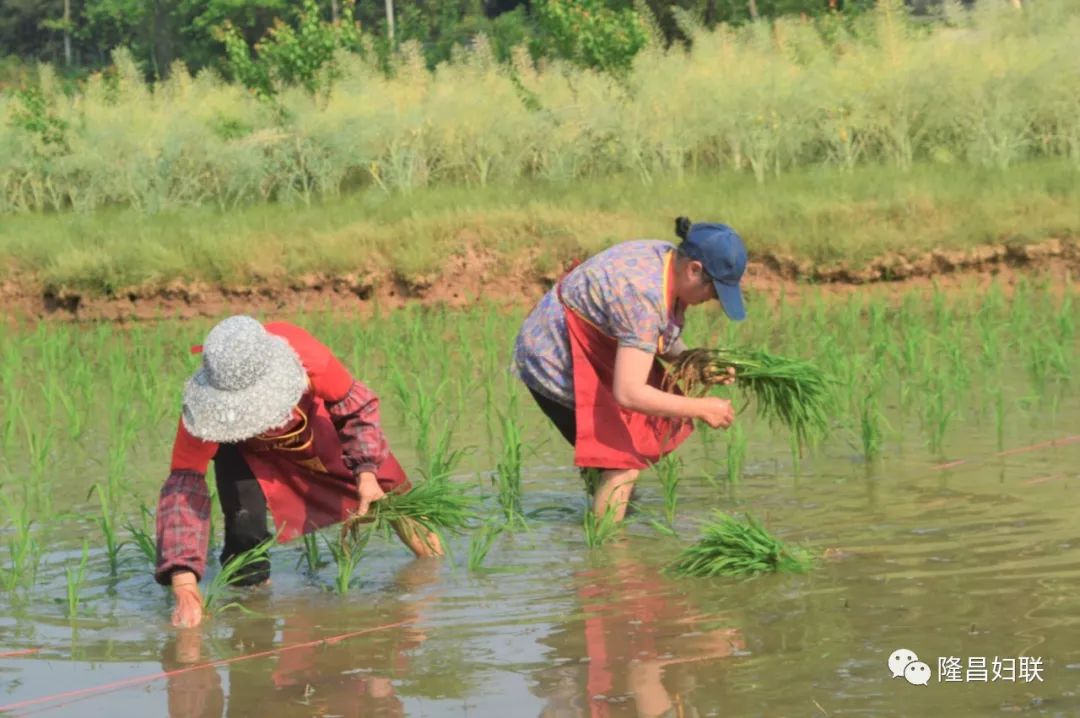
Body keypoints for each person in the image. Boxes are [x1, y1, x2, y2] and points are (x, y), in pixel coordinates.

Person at [155, 315, 442, 628]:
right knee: (244, 531)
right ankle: (249, 622)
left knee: (391, 495)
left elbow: (355, 408)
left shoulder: (306, 356)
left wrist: (367, 474)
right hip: (243, 451)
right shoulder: (205, 412)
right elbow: (183, 493)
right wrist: (184, 588)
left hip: (313, 432)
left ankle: (435, 577)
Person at [513, 217, 747, 522]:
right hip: (553, 360)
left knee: (616, 471)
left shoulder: (665, 260)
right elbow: (629, 392)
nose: (712, 300)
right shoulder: (642, 295)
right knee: (621, 462)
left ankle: (604, 523)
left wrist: (690, 360)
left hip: (589, 345)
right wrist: (702, 408)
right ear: (694, 270)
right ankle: (609, 558)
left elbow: (651, 336)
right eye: (715, 292)